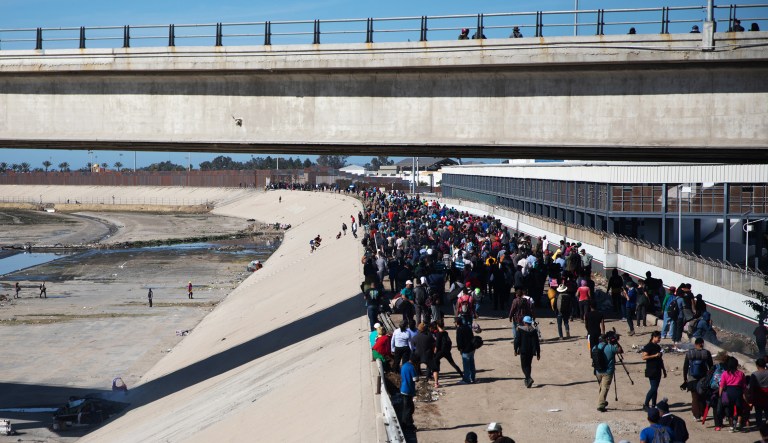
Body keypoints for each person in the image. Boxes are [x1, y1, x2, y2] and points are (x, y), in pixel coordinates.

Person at [683, 337, 712, 420]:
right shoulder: (706, 353)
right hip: (703, 379)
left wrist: (685, 378)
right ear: (702, 344)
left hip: (692, 379)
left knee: (694, 398)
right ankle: (702, 412)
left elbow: (685, 367)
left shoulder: (690, 353)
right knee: (702, 396)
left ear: (695, 344)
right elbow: (711, 366)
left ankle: (696, 415)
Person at [594, 331, 623, 412]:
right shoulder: (610, 347)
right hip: (608, 371)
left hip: (598, 371)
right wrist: (615, 342)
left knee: (601, 387)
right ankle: (601, 405)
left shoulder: (595, 347)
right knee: (605, 388)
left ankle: (602, 400)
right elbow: (620, 350)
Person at [718, 356, 747, 432]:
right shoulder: (741, 374)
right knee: (739, 408)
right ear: (736, 365)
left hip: (728, 393)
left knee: (729, 410)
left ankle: (731, 427)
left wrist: (720, 395)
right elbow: (744, 386)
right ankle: (738, 423)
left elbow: (721, 385)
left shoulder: (725, 373)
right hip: (738, 392)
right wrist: (745, 396)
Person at [431, 320, 463, 388]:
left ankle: (436, 383)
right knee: (453, 364)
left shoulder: (438, 334)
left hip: (440, 352)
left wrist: (434, 353)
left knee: (435, 366)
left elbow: (437, 345)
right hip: (447, 351)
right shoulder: (446, 333)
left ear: (437, 326)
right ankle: (462, 375)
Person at [641, 331, 666, 411]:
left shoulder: (658, 347)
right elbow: (644, 357)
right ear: (654, 337)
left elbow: (660, 359)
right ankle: (646, 404)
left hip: (658, 369)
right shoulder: (648, 346)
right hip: (651, 370)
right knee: (653, 388)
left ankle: (654, 404)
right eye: (658, 338)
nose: (659, 339)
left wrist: (664, 369)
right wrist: (654, 355)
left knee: (655, 388)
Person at [514, 315, 540, 388]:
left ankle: (528, 378)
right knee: (528, 365)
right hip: (531, 351)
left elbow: (517, 341)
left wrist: (515, 350)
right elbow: (537, 343)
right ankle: (527, 380)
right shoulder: (534, 331)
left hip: (523, 351)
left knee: (523, 366)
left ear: (524, 322)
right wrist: (538, 353)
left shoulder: (520, 330)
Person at [400, 354, 418, 431]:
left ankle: (407, 423)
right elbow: (415, 379)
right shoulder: (412, 367)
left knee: (407, 408)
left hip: (403, 389)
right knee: (409, 409)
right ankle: (407, 425)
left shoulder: (403, 366)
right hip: (408, 390)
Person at [456, 318, 476, 384]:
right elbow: (472, 337)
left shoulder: (459, 329)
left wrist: (460, 349)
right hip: (472, 348)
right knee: (471, 364)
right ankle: (473, 378)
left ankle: (466, 379)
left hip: (465, 350)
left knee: (466, 365)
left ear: (457, 323)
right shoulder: (468, 327)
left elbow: (459, 341)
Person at [751, 358, 768, 428]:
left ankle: (759, 424)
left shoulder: (754, 374)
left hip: (758, 393)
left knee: (758, 410)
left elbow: (751, 386)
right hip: (767, 393)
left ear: (757, 365)